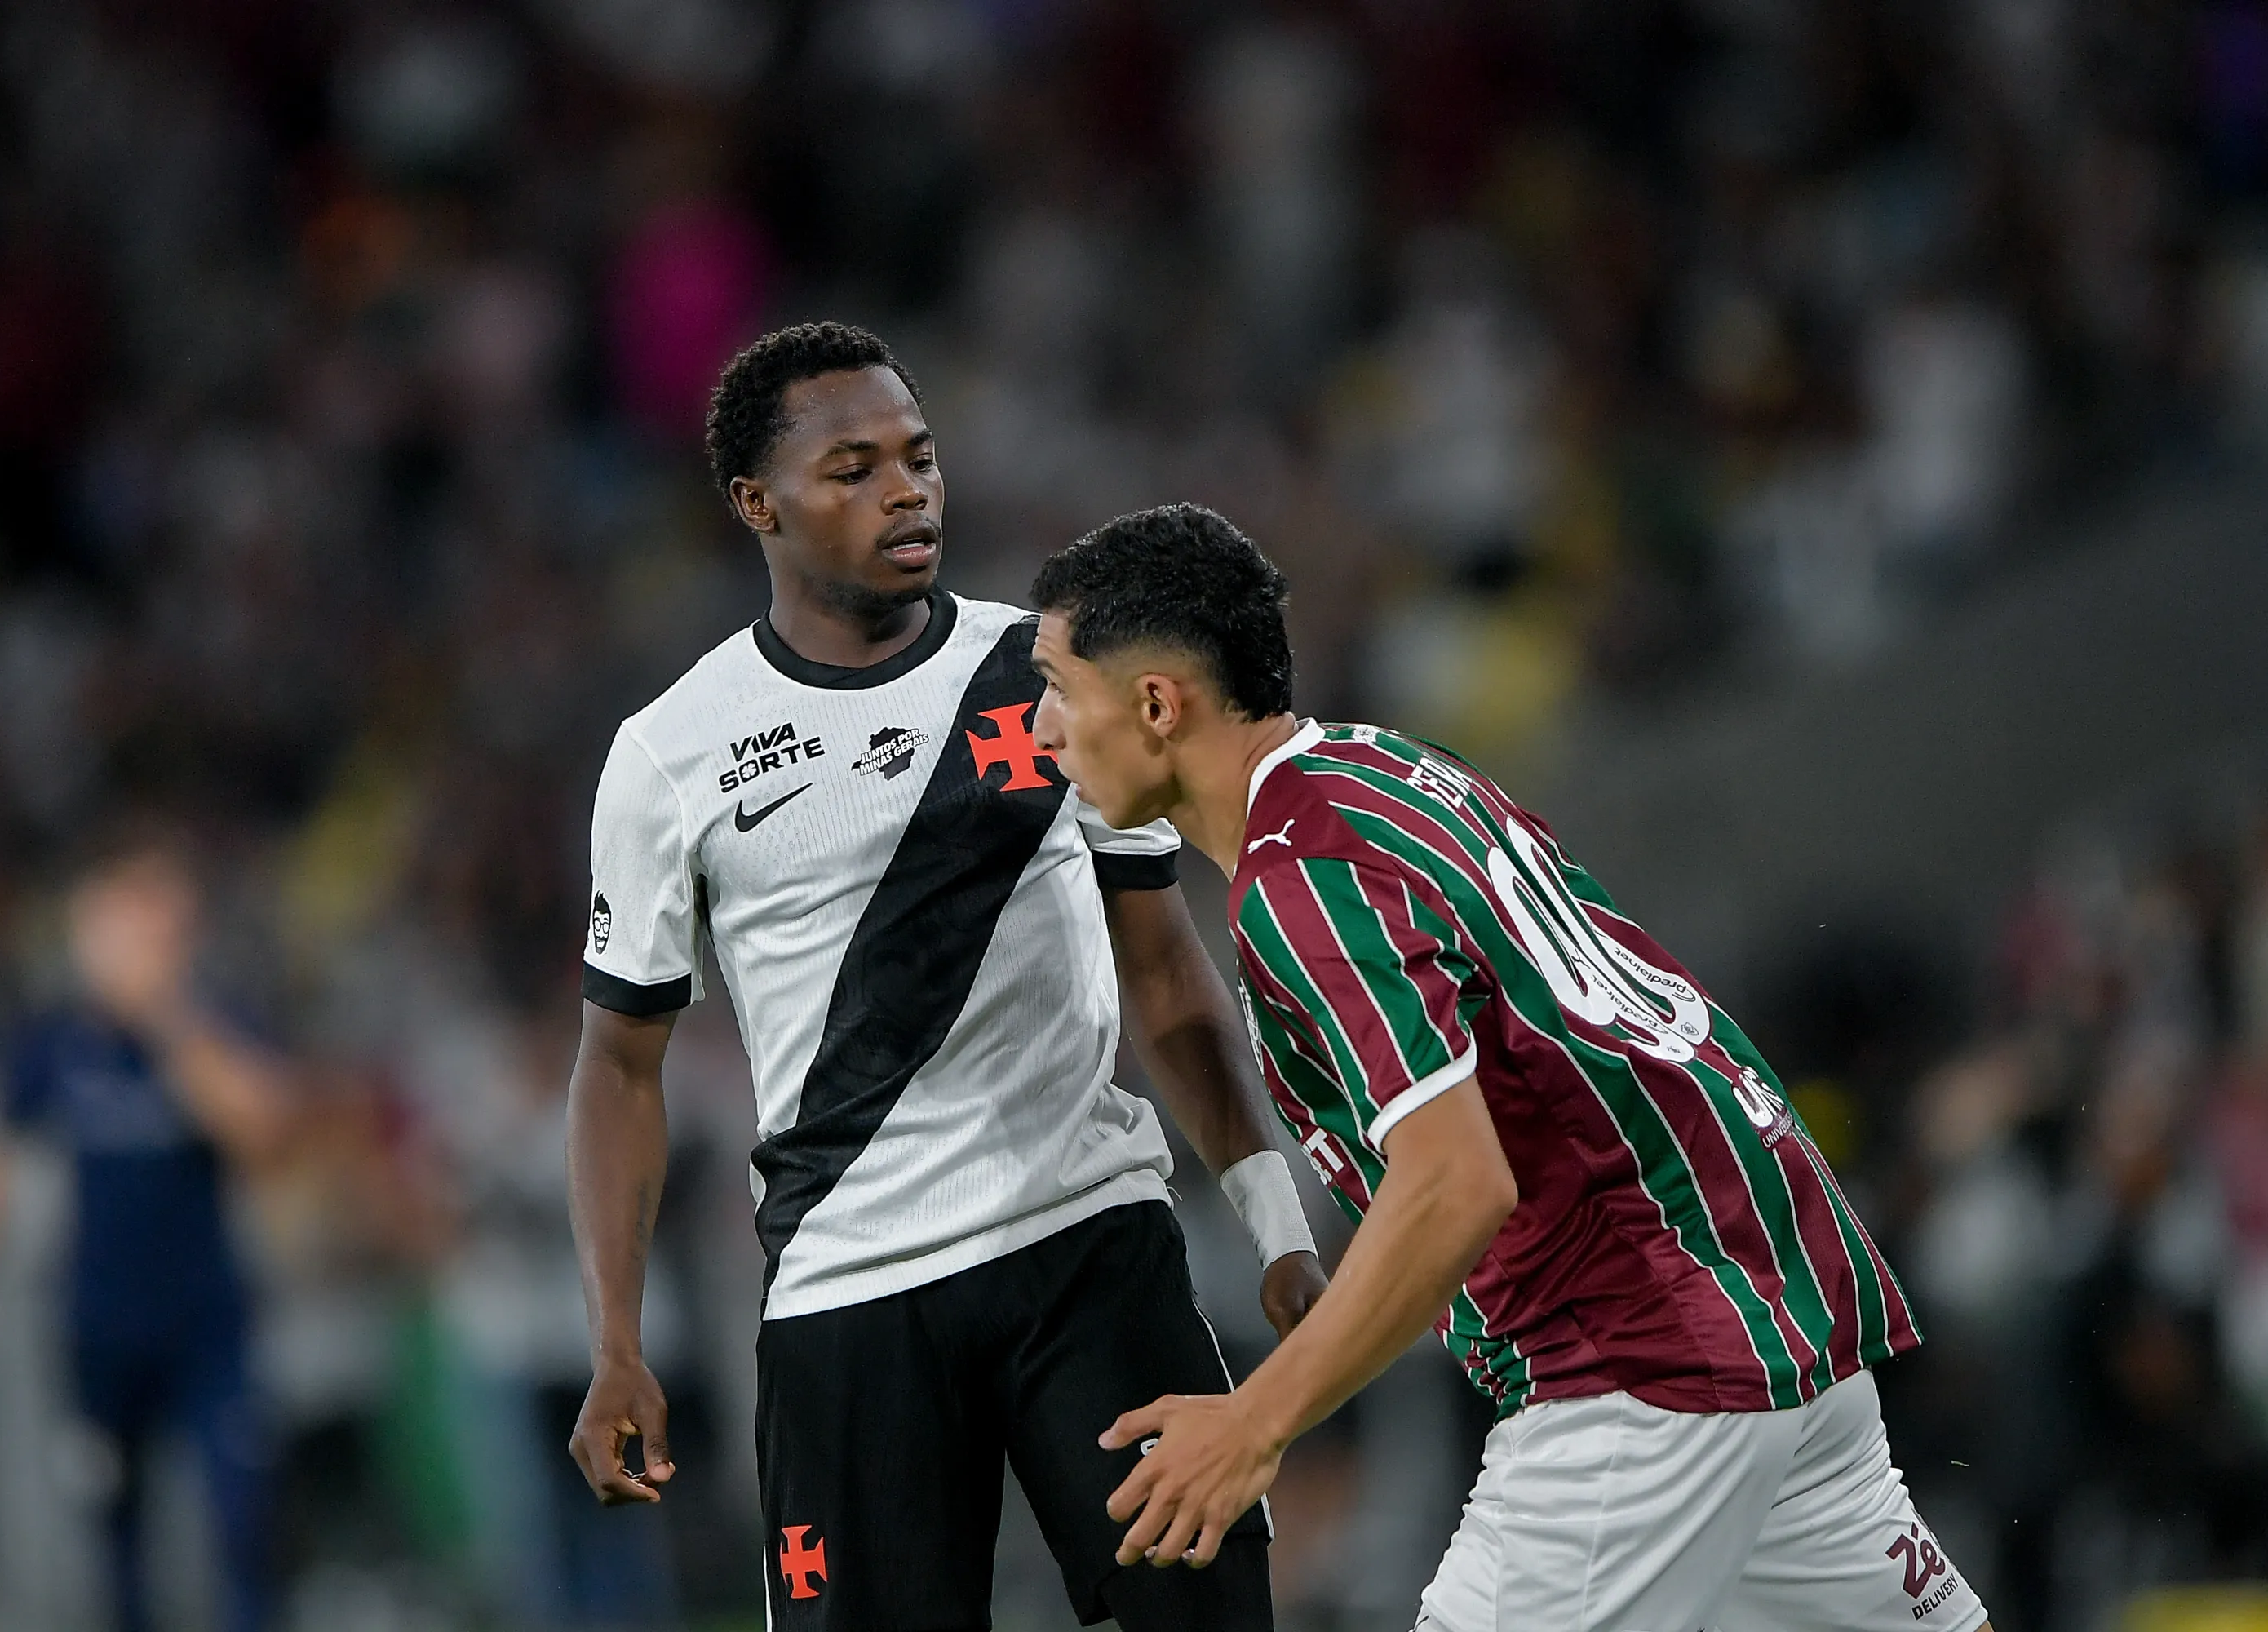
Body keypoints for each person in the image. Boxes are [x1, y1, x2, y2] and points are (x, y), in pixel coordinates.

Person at [1025, 502, 1991, 1632]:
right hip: (1780, 1315)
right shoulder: (1382, 769)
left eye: (1056, 687)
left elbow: (1456, 1184)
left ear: (1155, 704)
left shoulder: (1305, 878)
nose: (1041, 727)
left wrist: (1255, 1425)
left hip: (1637, 1364)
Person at [563, 323, 1327, 1631]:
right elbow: (618, 1069)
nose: (904, 489)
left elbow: (1167, 970)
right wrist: (618, 1342)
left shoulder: (1047, 671)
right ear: (758, 504)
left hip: (1090, 1250)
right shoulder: (670, 756)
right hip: (850, 1304)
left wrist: (1275, 1221)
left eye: (917, 457)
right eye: (850, 468)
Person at [0, 833, 294, 1632]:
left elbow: (262, 1129)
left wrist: (165, 1017)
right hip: (100, 1324)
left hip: (207, 1319)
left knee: (242, 1517)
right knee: (116, 1531)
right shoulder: (52, 1041)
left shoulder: (214, 1022)